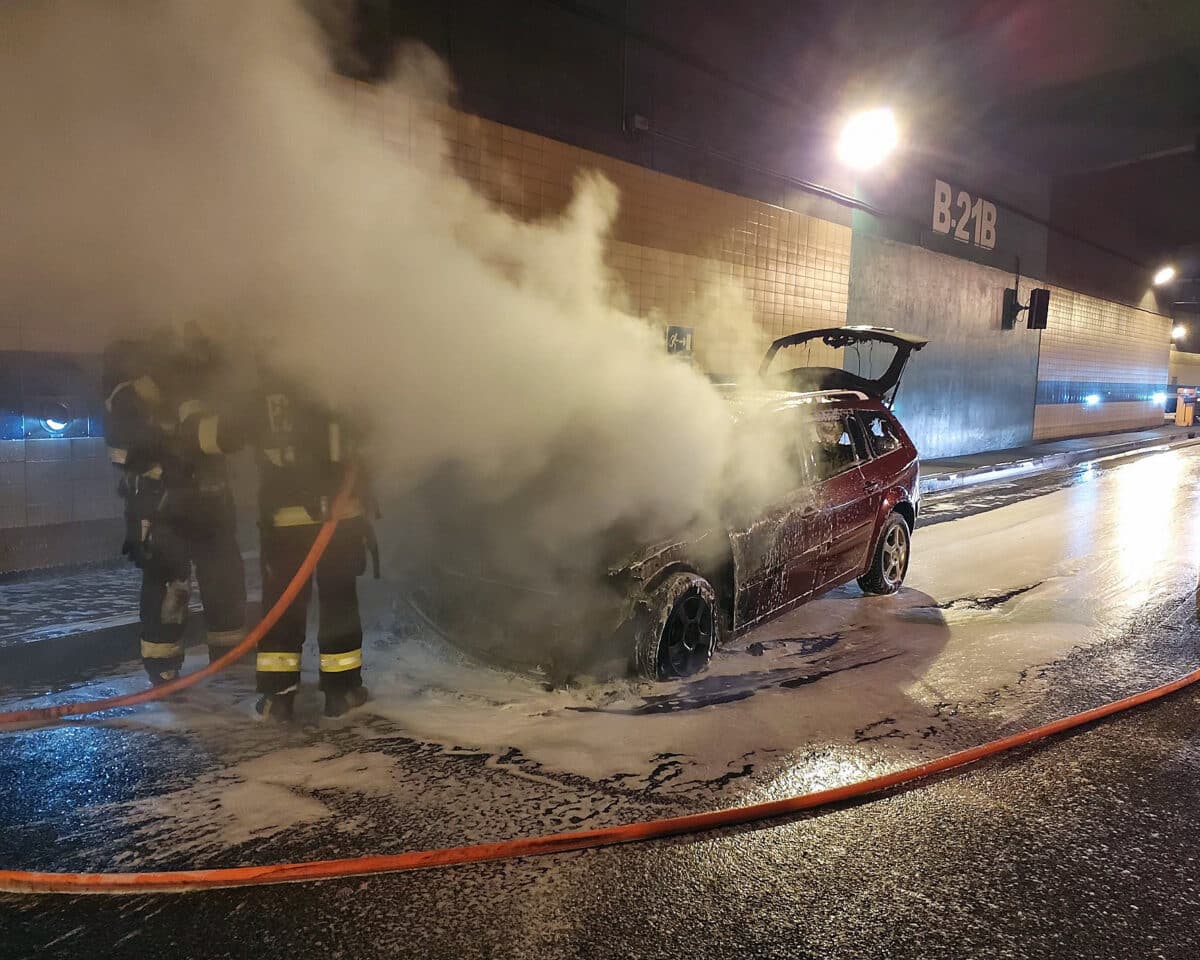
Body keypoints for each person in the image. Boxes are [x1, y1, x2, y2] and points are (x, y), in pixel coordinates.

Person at [181, 359, 373, 720]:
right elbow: (371, 434)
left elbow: (216, 437)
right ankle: (342, 692)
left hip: (285, 523)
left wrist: (190, 413)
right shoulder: (340, 377)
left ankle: (277, 697)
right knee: (340, 605)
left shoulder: (265, 394)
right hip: (340, 520)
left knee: (282, 607)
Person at [102, 327, 247, 684]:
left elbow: (212, 438)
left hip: (208, 505)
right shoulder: (131, 397)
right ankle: (163, 669)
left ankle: (230, 659)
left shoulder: (199, 394)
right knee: (168, 588)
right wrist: (171, 457)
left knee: (224, 582)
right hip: (161, 509)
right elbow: (124, 451)